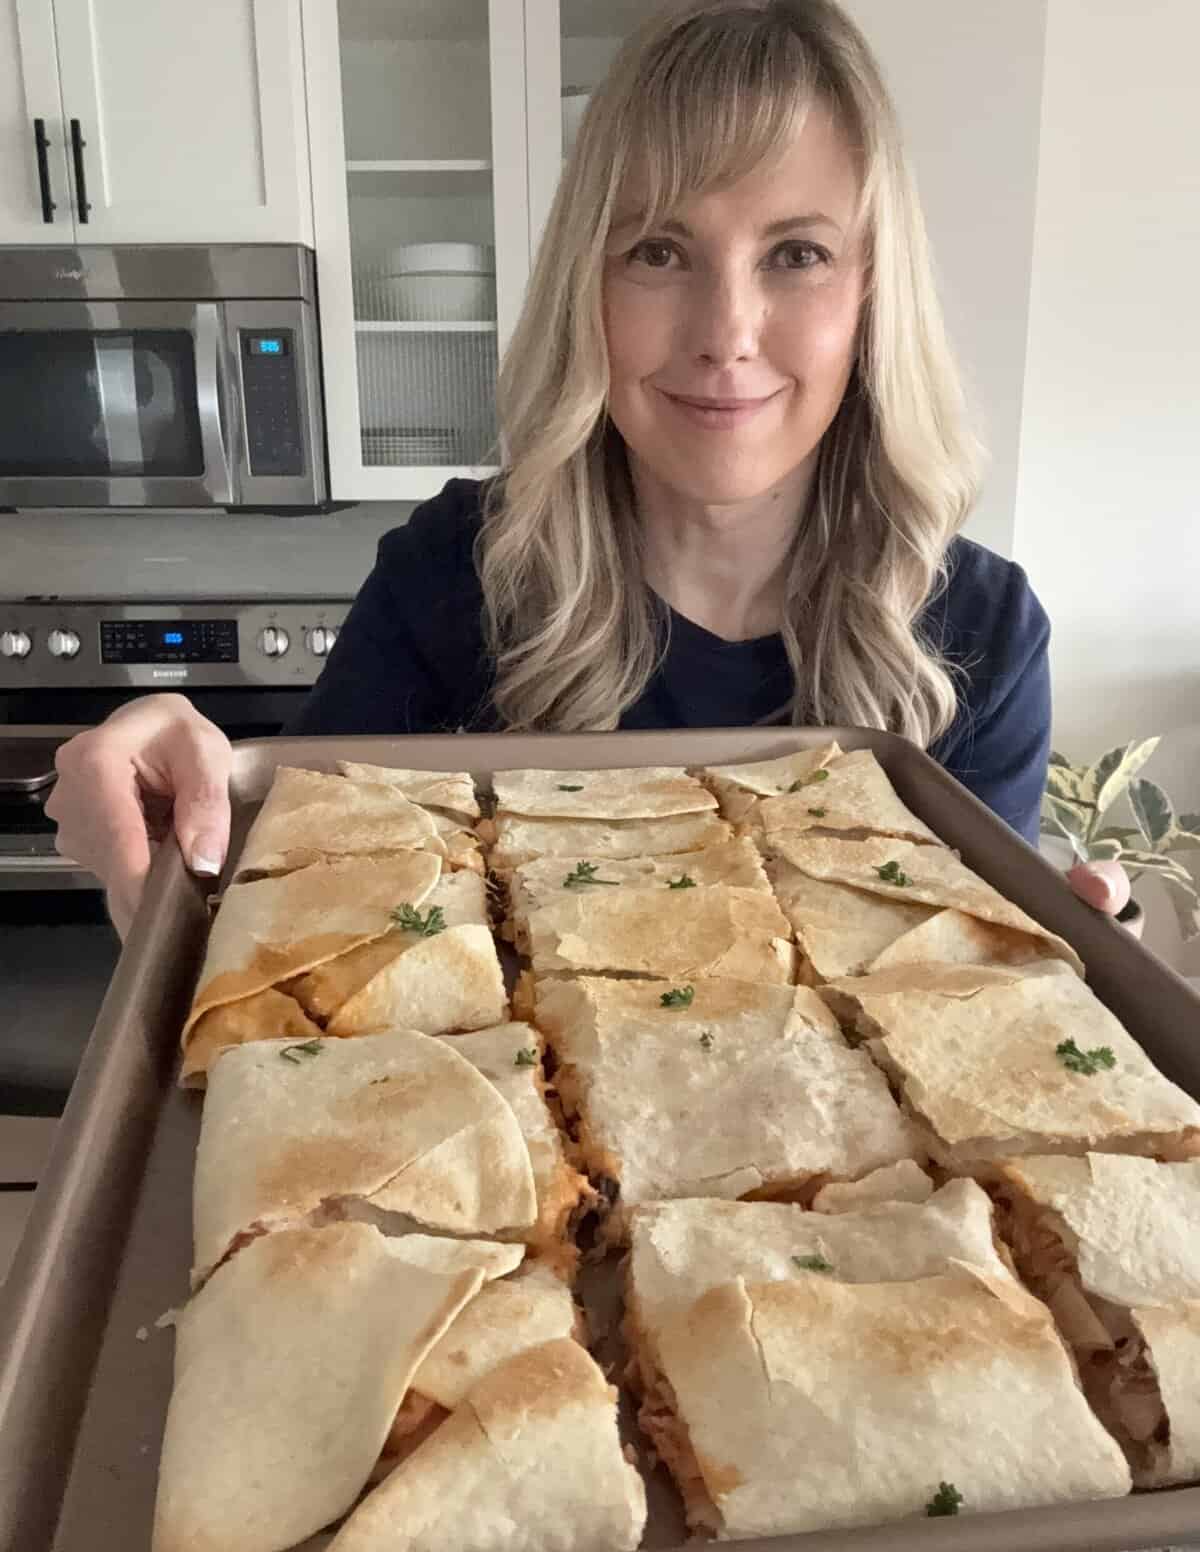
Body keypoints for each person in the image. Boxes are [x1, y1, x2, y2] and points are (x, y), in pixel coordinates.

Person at [47, 0, 1129, 940]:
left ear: (871, 294)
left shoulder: (977, 634)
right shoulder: (452, 578)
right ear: (587, 284)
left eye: (796, 254)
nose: (726, 332)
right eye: (659, 250)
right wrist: (154, 845)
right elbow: (278, 960)